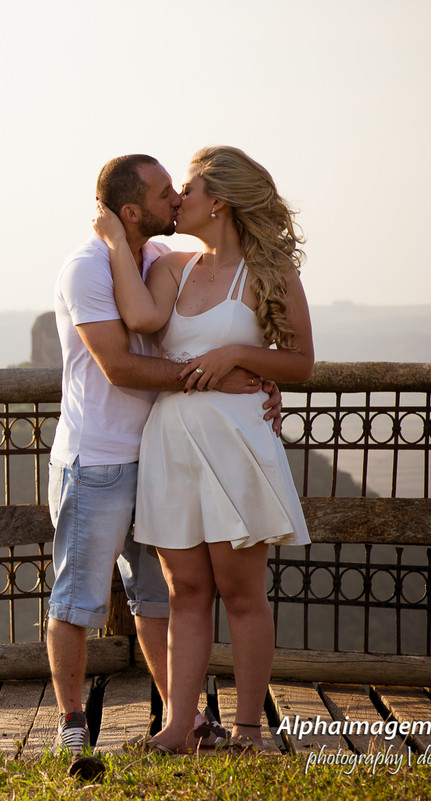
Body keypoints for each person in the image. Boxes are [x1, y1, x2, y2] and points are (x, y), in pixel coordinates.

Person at [48, 154, 279, 754]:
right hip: (96, 459)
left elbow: (204, 330)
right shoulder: (87, 269)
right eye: (164, 193)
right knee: (80, 598)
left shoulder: (152, 259)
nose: (176, 198)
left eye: (181, 189)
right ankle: (73, 723)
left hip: (159, 454)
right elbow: (121, 366)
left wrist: (249, 364)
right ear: (131, 211)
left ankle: (186, 725)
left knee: (162, 599)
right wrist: (214, 374)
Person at [92, 145, 313, 754]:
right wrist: (116, 240)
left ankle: (246, 729)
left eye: (186, 189)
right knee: (185, 591)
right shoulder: (171, 267)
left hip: (238, 444)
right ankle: (178, 728)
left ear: (219, 201)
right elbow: (138, 319)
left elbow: (300, 362)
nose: (177, 199)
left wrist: (237, 356)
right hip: (173, 444)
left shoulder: (270, 274)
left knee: (241, 594)